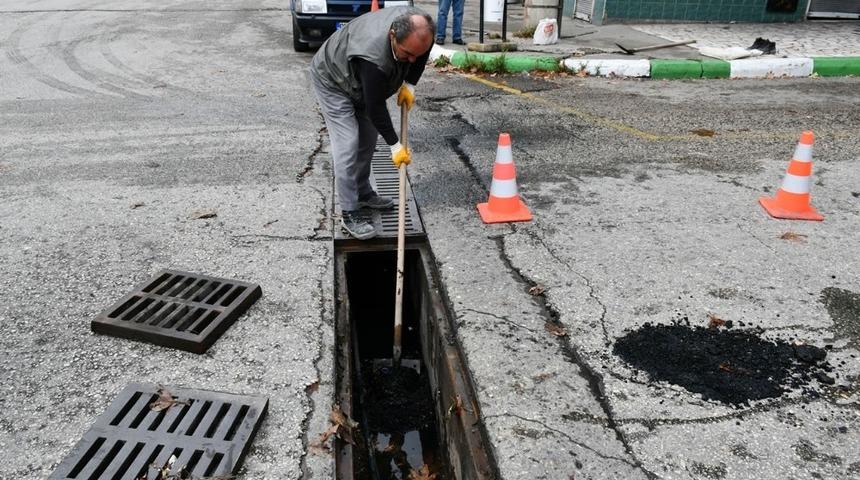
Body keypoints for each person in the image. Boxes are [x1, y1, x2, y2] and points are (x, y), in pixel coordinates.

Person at [310, 7, 435, 240]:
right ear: (392, 36)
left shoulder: (422, 31)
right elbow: (375, 106)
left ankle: (363, 192)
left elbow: (420, 55)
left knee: (367, 138)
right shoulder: (374, 57)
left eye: (416, 55)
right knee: (348, 144)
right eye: (407, 53)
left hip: (358, 79)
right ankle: (350, 212)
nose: (412, 60)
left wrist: (410, 83)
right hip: (333, 79)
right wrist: (396, 145)